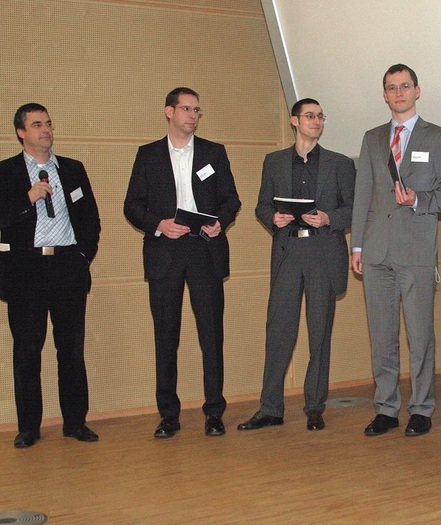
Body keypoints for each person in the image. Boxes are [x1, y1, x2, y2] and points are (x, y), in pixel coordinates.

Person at [124, 87, 241, 439]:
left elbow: (231, 199)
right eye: (186, 109)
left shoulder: (213, 152)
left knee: (211, 335)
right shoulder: (148, 155)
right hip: (166, 253)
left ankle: (214, 412)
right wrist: (158, 225)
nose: (192, 115)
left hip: (204, 249)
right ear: (168, 112)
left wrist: (220, 220)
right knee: (166, 336)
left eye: (197, 110)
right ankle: (169, 415)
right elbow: (132, 205)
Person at [238, 98, 355, 432]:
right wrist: (272, 217)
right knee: (279, 331)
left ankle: (315, 406)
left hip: (323, 253)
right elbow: (261, 205)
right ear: (294, 121)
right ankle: (270, 407)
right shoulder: (274, 162)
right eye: (309, 115)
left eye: (320, 116)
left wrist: (329, 217)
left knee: (319, 333)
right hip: (289, 251)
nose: (316, 121)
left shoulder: (340, 163)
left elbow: (353, 209)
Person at [351, 64, 441, 437]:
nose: (399, 93)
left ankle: (422, 407)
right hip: (377, 249)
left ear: (417, 90)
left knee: (420, 334)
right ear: (384, 94)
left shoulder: (437, 136)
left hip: (416, 249)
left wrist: (417, 200)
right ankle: (386, 407)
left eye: (405, 86)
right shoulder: (372, 138)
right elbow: (363, 194)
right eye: (392, 88)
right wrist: (357, 244)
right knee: (382, 335)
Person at [0, 103, 101, 448]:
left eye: (48, 123)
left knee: (71, 349)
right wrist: (28, 199)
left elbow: (91, 221)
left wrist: (82, 257)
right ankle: (29, 427)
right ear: (21, 132)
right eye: (37, 124)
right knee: (28, 351)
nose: (46, 129)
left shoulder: (72, 169)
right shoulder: (6, 173)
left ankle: (75, 422)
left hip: (67, 266)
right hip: (25, 271)